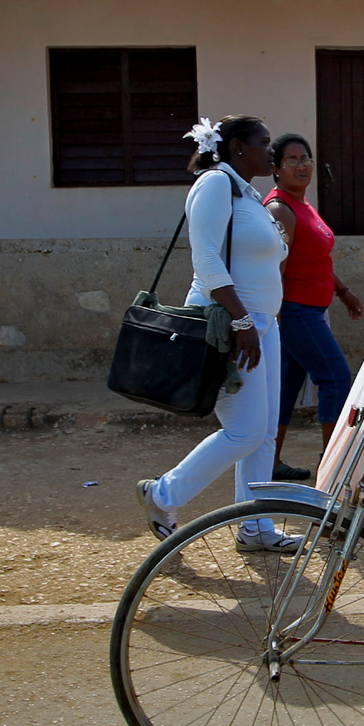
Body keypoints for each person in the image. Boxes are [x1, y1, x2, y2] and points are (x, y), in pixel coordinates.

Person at [136, 116, 301, 552]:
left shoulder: (247, 194)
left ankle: (256, 527)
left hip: (262, 326)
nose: (272, 150)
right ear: (236, 148)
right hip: (227, 326)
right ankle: (161, 494)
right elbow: (207, 261)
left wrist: (264, 319)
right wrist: (244, 321)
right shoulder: (214, 185)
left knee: (263, 432)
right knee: (244, 431)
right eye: (264, 143)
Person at [261, 133, 363, 481]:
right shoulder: (280, 209)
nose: (301, 165)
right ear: (275, 168)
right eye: (291, 160)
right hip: (295, 312)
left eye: (306, 158)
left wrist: (343, 291)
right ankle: (332, 464)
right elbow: (275, 270)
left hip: (309, 310)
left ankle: (269, 463)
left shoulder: (302, 204)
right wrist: (269, 322)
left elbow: (316, 258)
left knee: (286, 388)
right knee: (336, 376)